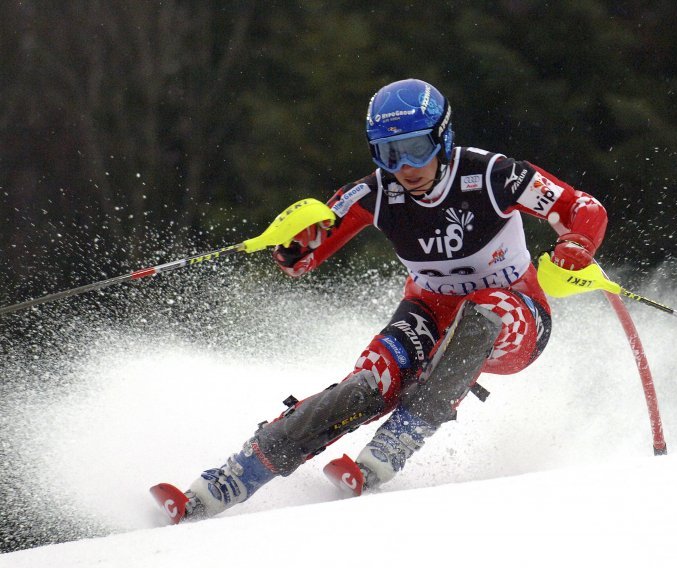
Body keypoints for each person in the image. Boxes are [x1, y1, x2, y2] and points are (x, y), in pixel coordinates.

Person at [158, 78, 607, 521]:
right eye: (389, 153)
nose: (406, 167)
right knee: (369, 382)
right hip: (430, 310)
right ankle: (231, 478)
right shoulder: (377, 191)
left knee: (484, 310)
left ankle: (402, 437)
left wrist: (576, 246)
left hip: (516, 316)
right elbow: (305, 255)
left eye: (416, 149)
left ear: (443, 138)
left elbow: (582, 208)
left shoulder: (492, 174)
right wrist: (293, 244)